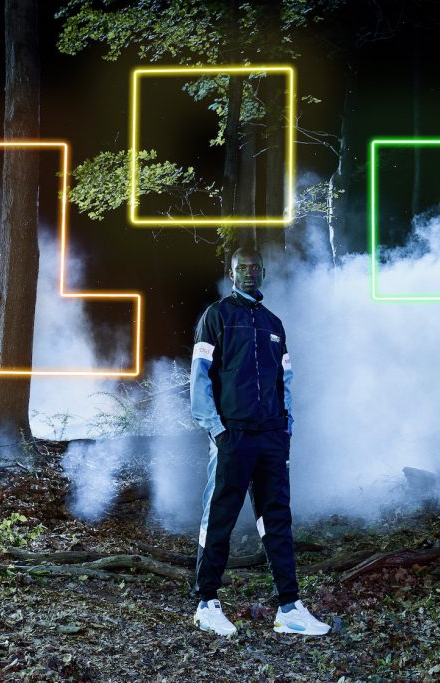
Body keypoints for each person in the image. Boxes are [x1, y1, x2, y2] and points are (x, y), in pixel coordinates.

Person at [188, 246, 330, 637]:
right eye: (242, 268)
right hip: (232, 435)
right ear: (231, 273)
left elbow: (285, 382)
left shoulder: (273, 324)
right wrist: (216, 429)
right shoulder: (216, 317)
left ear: (263, 273)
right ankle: (206, 603)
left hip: (271, 437)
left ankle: (289, 609)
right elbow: (200, 376)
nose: (249, 273)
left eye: (255, 268)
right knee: (220, 517)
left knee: (276, 519)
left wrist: (286, 429)